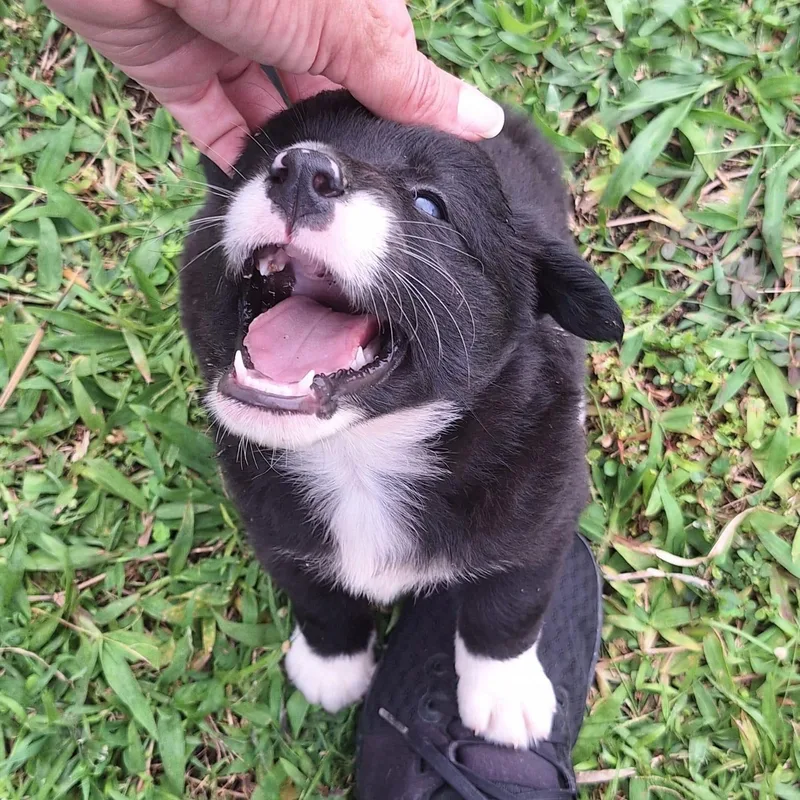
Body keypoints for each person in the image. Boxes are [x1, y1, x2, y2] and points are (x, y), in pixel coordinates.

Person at [42, 3, 602, 797]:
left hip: (503, 215)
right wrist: (326, 637)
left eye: (429, 206)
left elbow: (523, 563)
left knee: (512, 581)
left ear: (528, 293)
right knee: (300, 560)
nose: (304, 170)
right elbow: (289, 555)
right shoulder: (261, 462)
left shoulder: (530, 465)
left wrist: (502, 658)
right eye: (273, 165)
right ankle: (340, 645)